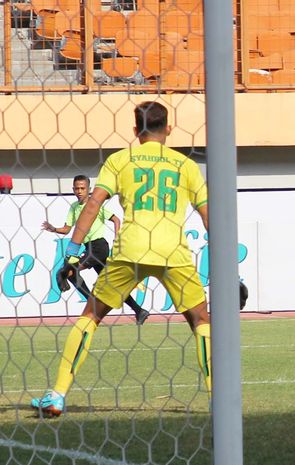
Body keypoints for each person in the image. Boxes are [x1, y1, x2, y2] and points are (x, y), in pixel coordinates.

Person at [31, 101, 212, 417]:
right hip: (173, 252)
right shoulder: (186, 166)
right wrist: (227, 263)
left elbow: (92, 206)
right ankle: (217, 400)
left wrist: (72, 252)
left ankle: (58, 394)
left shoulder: (120, 160)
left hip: (131, 250)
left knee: (92, 315)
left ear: (135, 131)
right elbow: (209, 214)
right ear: (168, 129)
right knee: (200, 320)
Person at [42, 175, 149, 325]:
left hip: (99, 247)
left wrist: (116, 238)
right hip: (89, 248)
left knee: (68, 271)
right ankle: (139, 310)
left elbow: (116, 219)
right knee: (112, 285)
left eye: (82, 188)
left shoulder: (95, 205)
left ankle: (90, 304)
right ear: (73, 189)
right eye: (77, 188)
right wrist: (53, 228)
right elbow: (67, 229)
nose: (79, 191)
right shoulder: (74, 207)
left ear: (89, 190)